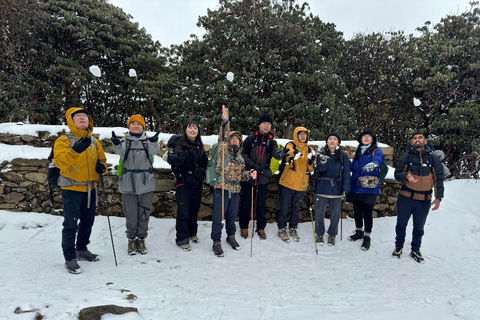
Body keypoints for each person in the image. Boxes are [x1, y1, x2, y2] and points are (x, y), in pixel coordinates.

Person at [53, 107, 107, 274]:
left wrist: (101, 168)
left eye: (85, 116)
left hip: (90, 188)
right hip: (72, 187)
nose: (83, 118)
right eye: (78, 116)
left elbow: (102, 163)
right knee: (71, 224)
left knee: (87, 222)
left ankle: (81, 249)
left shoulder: (94, 141)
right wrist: (75, 150)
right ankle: (70, 257)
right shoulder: (63, 141)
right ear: (71, 120)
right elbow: (60, 162)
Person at [211, 106, 257, 256]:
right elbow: (223, 137)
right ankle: (216, 241)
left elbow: (240, 176)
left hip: (235, 190)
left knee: (231, 216)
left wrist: (249, 175)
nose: (234, 140)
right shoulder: (223, 151)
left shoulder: (240, 158)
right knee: (218, 217)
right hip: (221, 188)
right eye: (232, 138)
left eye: (237, 138)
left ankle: (231, 236)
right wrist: (225, 122)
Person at [111, 114, 160, 255]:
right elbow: (118, 151)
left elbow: (154, 151)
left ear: (143, 127)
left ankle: (141, 238)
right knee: (131, 213)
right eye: (133, 123)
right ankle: (132, 239)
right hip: (128, 184)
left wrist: (154, 142)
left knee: (144, 213)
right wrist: (115, 143)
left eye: (139, 124)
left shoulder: (147, 142)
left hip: (146, 184)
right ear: (129, 126)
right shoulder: (124, 142)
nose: (136, 126)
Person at [393, 132, 444, 263]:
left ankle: (415, 250)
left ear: (425, 141)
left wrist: (438, 198)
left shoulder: (433, 159)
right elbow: (397, 174)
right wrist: (406, 177)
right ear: (411, 142)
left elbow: (438, 179)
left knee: (419, 228)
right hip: (406, 197)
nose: (417, 140)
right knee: (401, 224)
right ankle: (398, 247)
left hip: (424, 200)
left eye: (420, 138)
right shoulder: (406, 157)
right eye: (415, 138)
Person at [239, 114, 287, 240]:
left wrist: (280, 154)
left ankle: (261, 227)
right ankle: (244, 226)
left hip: (263, 177)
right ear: (259, 125)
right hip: (250, 176)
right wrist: (253, 166)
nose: (266, 126)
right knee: (246, 203)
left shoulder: (271, 142)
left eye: (269, 124)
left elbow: (275, 152)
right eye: (264, 123)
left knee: (261, 204)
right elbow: (243, 155)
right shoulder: (250, 139)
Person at [170, 120, 208, 251]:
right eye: (190, 127)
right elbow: (175, 161)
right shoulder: (180, 145)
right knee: (183, 211)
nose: (193, 130)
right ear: (185, 130)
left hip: (196, 183)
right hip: (183, 183)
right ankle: (182, 238)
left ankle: (192, 232)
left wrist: (200, 172)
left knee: (194, 209)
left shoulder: (199, 146)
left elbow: (205, 164)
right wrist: (185, 156)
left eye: (195, 128)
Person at [347, 129, 384, 251]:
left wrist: (374, 164)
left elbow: (378, 159)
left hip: (369, 187)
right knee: (357, 211)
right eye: (364, 136)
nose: (366, 138)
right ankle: (359, 232)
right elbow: (352, 167)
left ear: (373, 139)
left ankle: (367, 237)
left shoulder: (376, 151)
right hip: (356, 186)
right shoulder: (358, 152)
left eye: (369, 136)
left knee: (367, 213)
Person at [276, 127, 314, 242]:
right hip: (288, 182)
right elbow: (288, 154)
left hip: (301, 184)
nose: (303, 136)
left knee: (296, 208)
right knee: (284, 207)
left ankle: (293, 228)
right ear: (296, 135)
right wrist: (294, 154)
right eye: (300, 134)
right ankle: (281, 229)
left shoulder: (310, 149)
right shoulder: (291, 145)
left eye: (305, 134)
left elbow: (310, 169)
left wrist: (311, 162)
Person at [314, 132, 351, 246]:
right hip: (322, 187)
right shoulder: (321, 154)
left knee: (335, 214)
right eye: (330, 138)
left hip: (336, 188)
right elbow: (319, 170)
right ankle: (319, 233)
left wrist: (345, 189)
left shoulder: (343, 155)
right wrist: (323, 163)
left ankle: (332, 234)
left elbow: (346, 173)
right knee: (319, 213)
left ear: (338, 142)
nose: (332, 141)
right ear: (326, 141)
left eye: (335, 139)